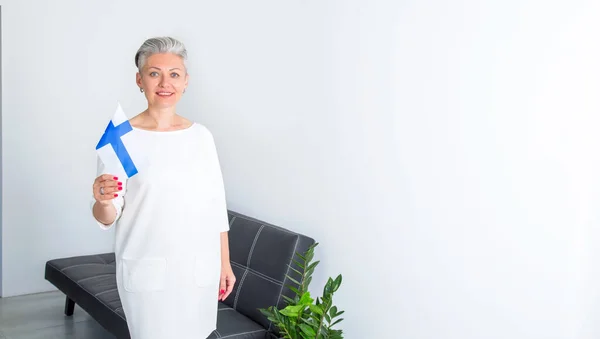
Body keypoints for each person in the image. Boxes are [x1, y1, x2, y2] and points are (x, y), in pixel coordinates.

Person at [91, 36, 235, 339]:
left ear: (185, 82)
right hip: (147, 272)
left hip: (198, 271)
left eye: (174, 74)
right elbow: (107, 214)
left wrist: (224, 262)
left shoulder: (201, 137)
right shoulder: (120, 138)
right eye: (154, 73)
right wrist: (103, 201)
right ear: (139, 80)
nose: (164, 82)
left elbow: (215, 204)